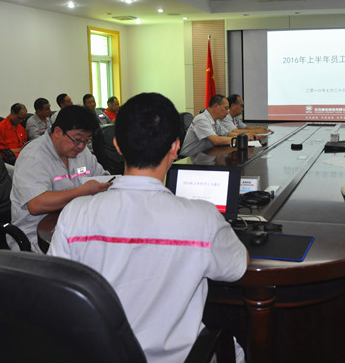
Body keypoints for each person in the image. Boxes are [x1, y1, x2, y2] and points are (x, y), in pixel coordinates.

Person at [48, 93, 248, 363]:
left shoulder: (75, 214)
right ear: (175, 148)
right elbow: (238, 267)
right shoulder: (202, 218)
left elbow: (58, 297)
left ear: (118, 146)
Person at [9, 105, 110, 251]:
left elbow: (103, 177)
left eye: (86, 140)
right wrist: (83, 191)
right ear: (58, 132)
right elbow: (36, 204)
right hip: (36, 234)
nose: (81, 146)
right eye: (77, 140)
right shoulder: (33, 156)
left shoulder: (81, 151)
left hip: (75, 223)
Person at [180, 94, 257, 157]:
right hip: (188, 159)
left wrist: (245, 136)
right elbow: (216, 140)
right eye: (226, 108)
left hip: (204, 155)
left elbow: (228, 133)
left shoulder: (216, 121)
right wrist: (241, 140)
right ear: (216, 106)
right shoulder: (201, 119)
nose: (228, 112)